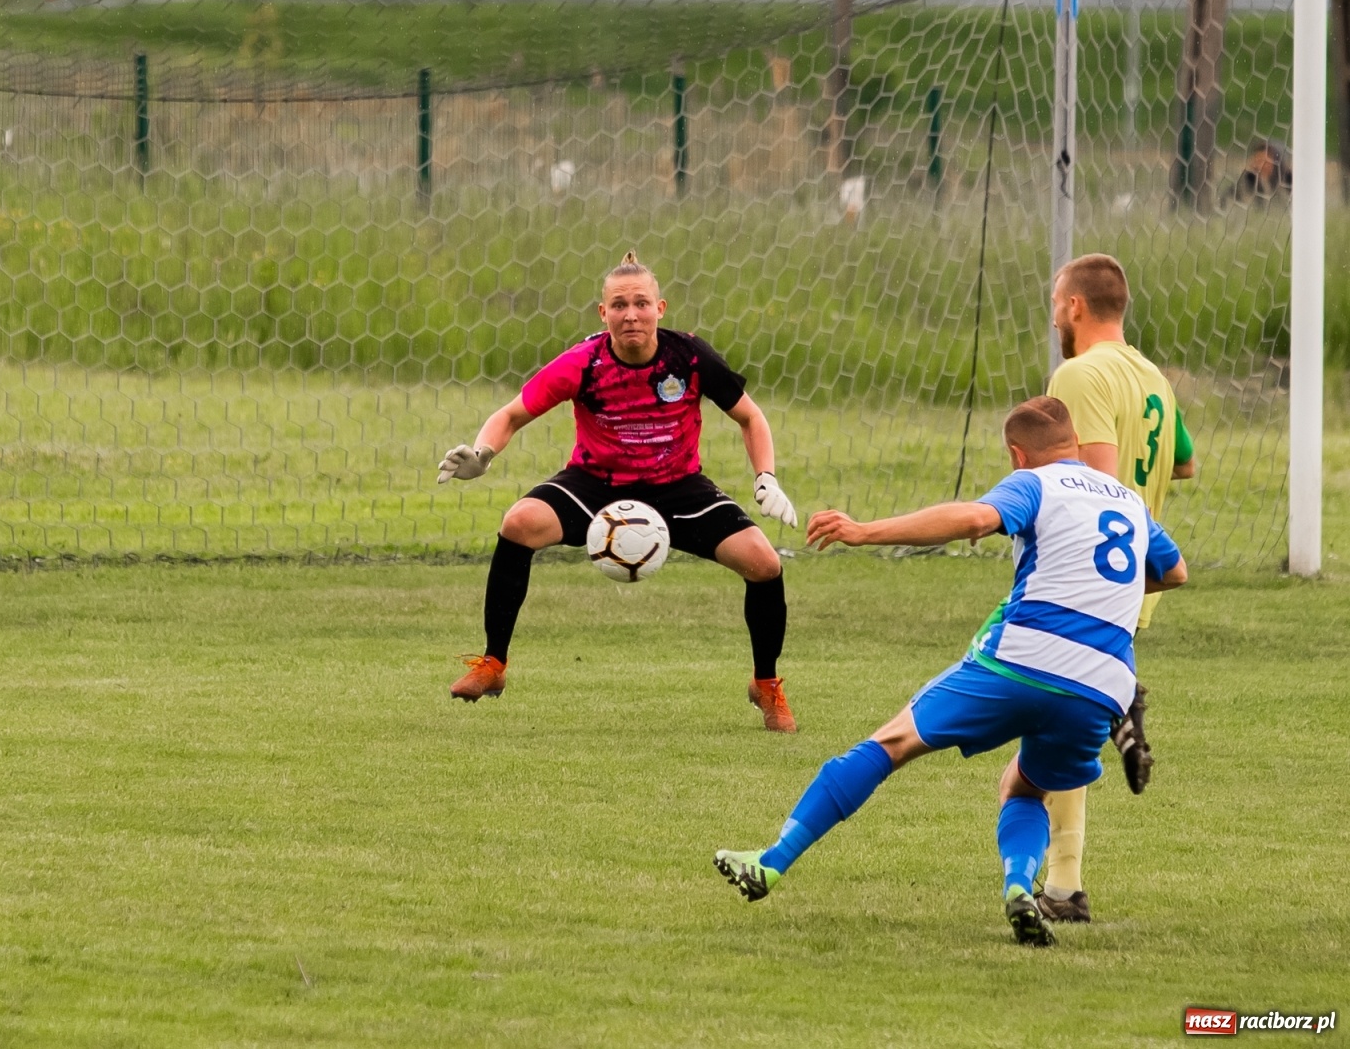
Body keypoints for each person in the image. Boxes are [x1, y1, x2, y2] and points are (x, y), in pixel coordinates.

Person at [712, 396, 1187, 946]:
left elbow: (975, 519)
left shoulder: (1035, 483)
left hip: (1025, 657)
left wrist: (864, 531)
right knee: (1024, 787)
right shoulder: (1128, 501)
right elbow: (1174, 572)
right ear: (1075, 443)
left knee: (891, 744)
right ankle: (1018, 888)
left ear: (1017, 455)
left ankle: (770, 862)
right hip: (1104, 686)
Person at [436, 252, 803, 732]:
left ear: (660, 309)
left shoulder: (690, 357)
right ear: (602, 312)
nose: (631, 314)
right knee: (519, 523)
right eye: (620, 305)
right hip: (596, 484)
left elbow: (750, 417)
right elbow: (510, 415)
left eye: (641, 304)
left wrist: (766, 477)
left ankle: (766, 683)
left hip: (678, 487)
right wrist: (484, 453)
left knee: (764, 562)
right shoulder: (582, 362)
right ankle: (493, 663)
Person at [1040, 253, 1196, 924]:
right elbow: (1184, 463)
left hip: (1089, 574)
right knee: (1061, 721)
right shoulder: (1153, 377)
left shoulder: (1078, 374)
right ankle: (1063, 886)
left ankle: (1062, 887)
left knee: (1045, 718)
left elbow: (1096, 483)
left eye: (1056, 303)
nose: (1054, 316)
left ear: (1075, 306)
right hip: (1137, 578)